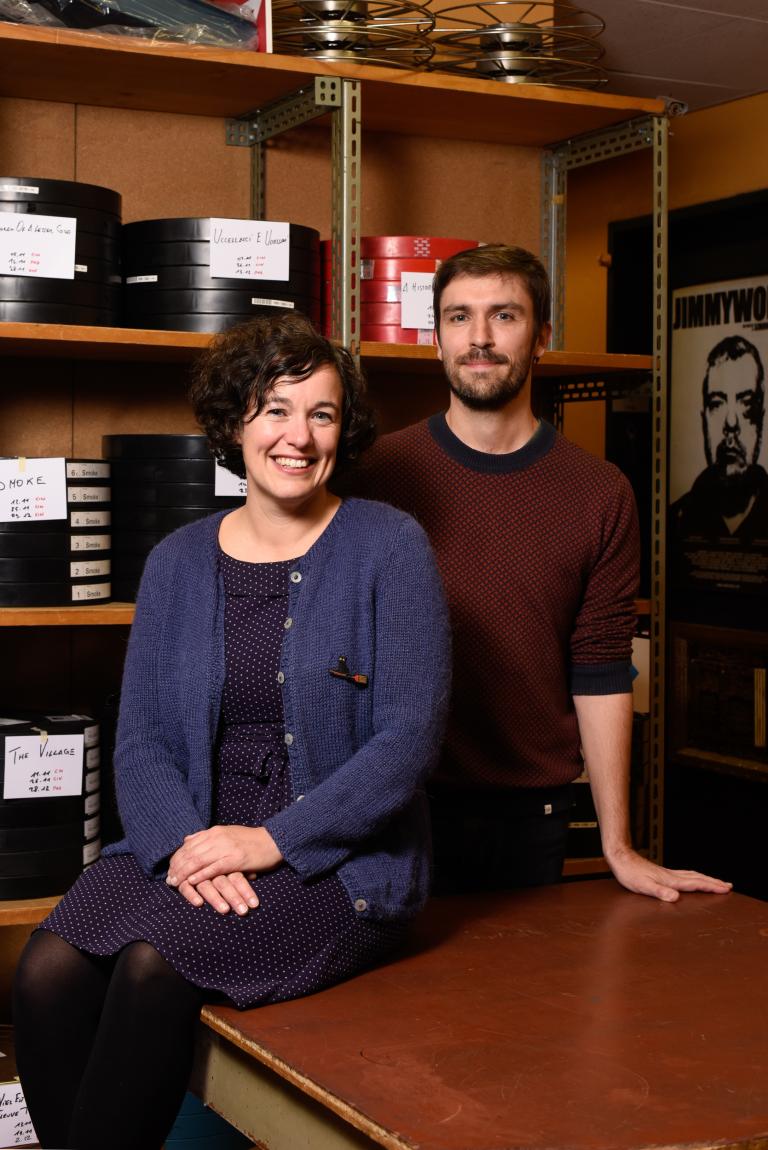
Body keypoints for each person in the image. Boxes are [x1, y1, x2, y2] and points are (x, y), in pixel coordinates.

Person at [12, 313, 450, 1150]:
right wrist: (182, 845)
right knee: (47, 970)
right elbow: (138, 737)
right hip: (194, 842)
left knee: (150, 968)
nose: (298, 435)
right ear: (234, 423)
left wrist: (268, 842)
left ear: (343, 430)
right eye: (275, 409)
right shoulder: (178, 560)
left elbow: (406, 741)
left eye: (321, 413)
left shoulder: (389, 547)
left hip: (337, 863)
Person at [344, 243, 732, 903]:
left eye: (505, 316)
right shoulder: (378, 473)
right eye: (459, 318)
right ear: (436, 339)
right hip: (393, 805)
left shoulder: (599, 492)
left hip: (531, 816)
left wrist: (618, 844)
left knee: (520, 1003)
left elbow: (603, 669)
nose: (480, 338)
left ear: (543, 337)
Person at [670, 334, 768, 542]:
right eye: (717, 403)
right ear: (703, 419)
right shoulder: (674, 522)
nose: (731, 422)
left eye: (746, 403)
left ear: (761, 419)